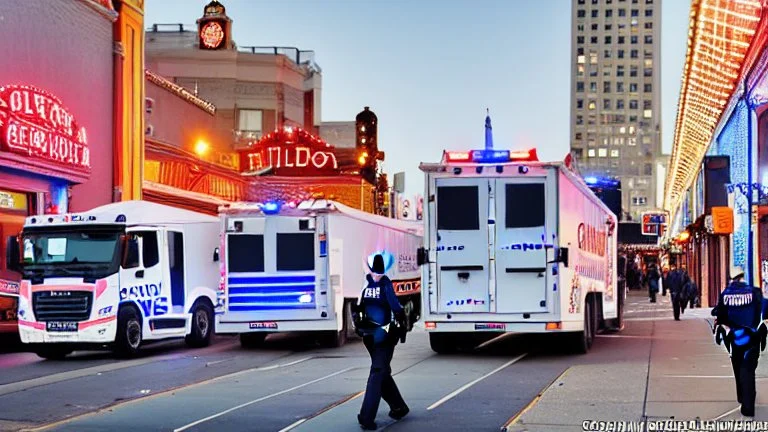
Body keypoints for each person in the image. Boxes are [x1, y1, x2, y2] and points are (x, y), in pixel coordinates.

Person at [353, 252, 409, 430]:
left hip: (368, 336)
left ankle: (399, 407)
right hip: (384, 335)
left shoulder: (366, 283)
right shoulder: (385, 284)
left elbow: (357, 308)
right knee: (378, 373)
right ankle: (366, 417)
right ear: (383, 268)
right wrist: (402, 322)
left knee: (382, 370)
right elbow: (396, 308)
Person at [712, 266, 767, 419]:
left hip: (735, 337)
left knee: (738, 367)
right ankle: (748, 404)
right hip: (752, 335)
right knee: (748, 368)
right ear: (743, 276)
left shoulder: (725, 294)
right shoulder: (755, 292)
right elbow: (762, 311)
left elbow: (721, 316)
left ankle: (743, 397)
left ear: (731, 278)